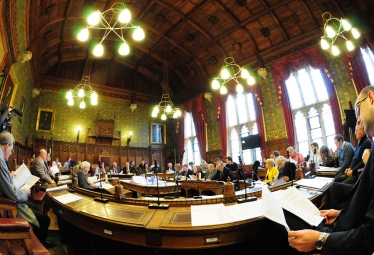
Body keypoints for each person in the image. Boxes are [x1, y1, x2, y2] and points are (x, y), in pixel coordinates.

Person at [288, 85, 374, 254]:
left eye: (358, 110)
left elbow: (370, 237)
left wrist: (320, 240)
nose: (357, 120)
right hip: (343, 226)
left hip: (341, 239)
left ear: (371, 98)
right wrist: (342, 213)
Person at [0, 132, 55, 248]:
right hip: (7, 205)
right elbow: (12, 193)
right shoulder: (0, 160)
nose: (11, 153)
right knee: (44, 219)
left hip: (7, 199)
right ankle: (37, 246)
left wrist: (9, 176)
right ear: (7, 146)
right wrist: (25, 192)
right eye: (11, 149)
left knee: (33, 207)